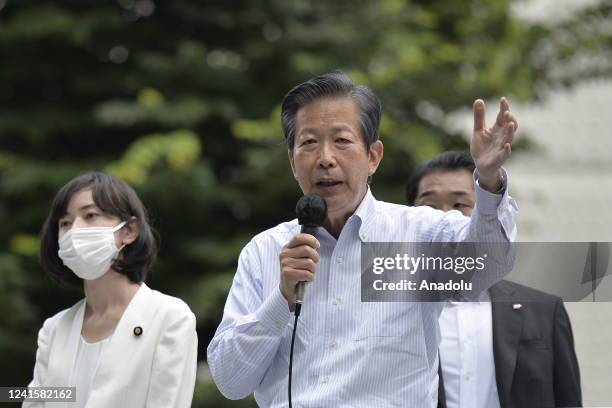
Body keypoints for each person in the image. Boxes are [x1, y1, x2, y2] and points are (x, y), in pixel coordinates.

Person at [207, 71, 518, 407]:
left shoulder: (418, 235)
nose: (325, 158)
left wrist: (487, 180)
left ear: (373, 157)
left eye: (341, 141)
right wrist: (281, 297)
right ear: (292, 162)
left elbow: (488, 265)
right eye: (309, 142)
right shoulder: (265, 251)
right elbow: (230, 380)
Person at [406, 150, 582, 408]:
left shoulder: (543, 311)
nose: (444, 217)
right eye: (429, 206)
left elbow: (567, 399)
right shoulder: (392, 310)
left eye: (460, 205)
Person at [24, 172, 198, 408]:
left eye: (90, 215)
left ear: (129, 230)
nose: (75, 230)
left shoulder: (170, 317)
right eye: (65, 223)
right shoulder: (54, 330)